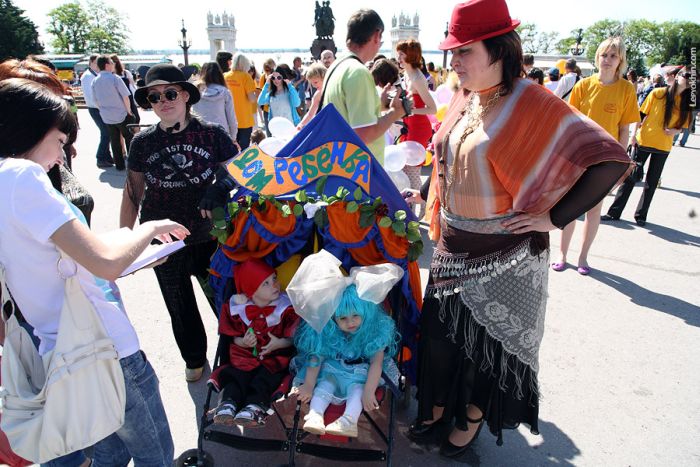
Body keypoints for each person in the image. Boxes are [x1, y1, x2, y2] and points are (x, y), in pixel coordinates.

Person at [402, 0, 631, 456]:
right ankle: (436, 408)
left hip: (504, 255)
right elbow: (449, 156)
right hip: (453, 246)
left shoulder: (531, 101)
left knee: (483, 351)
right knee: (443, 341)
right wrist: (427, 190)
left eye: (465, 51)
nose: (454, 62)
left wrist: (554, 217)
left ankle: (467, 420)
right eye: (453, 52)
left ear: (499, 51)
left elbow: (609, 160)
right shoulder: (466, 96)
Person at [0, 77, 185, 467]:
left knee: (109, 455)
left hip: (59, 349)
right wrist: (147, 230)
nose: (61, 155)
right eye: (60, 142)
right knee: (156, 456)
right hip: (105, 346)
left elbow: (62, 259)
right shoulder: (23, 177)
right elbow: (104, 262)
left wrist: (126, 249)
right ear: (30, 129)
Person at [120, 64, 240, 383]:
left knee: (222, 297)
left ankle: (235, 353)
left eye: (170, 93)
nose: (164, 101)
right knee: (178, 303)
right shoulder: (142, 143)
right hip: (164, 240)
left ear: (185, 95)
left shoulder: (212, 134)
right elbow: (133, 192)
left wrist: (219, 186)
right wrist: (124, 240)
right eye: (155, 96)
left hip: (208, 235)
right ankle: (194, 357)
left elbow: (242, 170)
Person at [553, 37, 640, 275]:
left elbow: (624, 129)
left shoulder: (626, 89)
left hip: (607, 159)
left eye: (613, 56)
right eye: (604, 55)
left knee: (593, 210)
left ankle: (583, 257)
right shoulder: (583, 85)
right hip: (579, 156)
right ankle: (562, 254)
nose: (607, 60)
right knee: (570, 206)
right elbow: (572, 123)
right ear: (597, 57)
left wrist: (621, 163)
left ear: (620, 60)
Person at [292, 258, 402, 438]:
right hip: (331, 370)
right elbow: (316, 357)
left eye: (355, 316)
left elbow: (376, 363)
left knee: (357, 391)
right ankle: (315, 416)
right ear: (333, 319)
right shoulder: (328, 333)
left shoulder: (373, 332)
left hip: (360, 373)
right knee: (324, 386)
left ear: (366, 313)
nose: (350, 322)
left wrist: (369, 390)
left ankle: (348, 421)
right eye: (342, 318)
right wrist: (309, 384)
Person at [212, 259, 299, 426]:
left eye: (274, 278)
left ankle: (254, 406)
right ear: (252, 291)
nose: (274, 285)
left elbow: (293, 339)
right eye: (265, 283)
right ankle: (227, 403)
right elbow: (232, 336)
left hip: (273, 361)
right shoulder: (238, 310)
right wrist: (243, 342)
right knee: (234, 377)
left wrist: (280, 343)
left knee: (264, 380)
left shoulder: (285, 308)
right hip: (243, 358)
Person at [603, 67, 692, 226]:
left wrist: (674, 131)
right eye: (687, 75)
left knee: (652, 182)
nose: (689, 78)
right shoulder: (658, 93)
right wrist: (632, 137)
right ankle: (614, 212)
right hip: (643, 141)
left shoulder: (685, 102)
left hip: (663, 146)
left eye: (693, 77)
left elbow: (683, 126)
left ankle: (641, 215)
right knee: (629, 178)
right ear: (677, 77)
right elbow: (641, 115)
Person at [321, 9, 408, 165]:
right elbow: (363, 134)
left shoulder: (337, 66)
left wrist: (377, 105)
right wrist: (396, 113)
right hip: (360, 174)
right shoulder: (358, 72)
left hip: (340, 165)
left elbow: (346, 114)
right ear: (376, 35)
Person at [91, 55, 134, 171]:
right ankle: (132, 164)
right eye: (111, 62)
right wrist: (129, 111)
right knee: (129, 138)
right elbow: (125, 96)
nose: (113, 64)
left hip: (107, 116)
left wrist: (103, 110)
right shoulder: (115, 78)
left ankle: (119, 165)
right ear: (107, 65)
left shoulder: (95, 80)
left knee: (114, 141)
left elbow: (95, 100)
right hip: (121, 113)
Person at [79, 54, 112, 167]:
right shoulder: (88, 76)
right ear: (92, 63)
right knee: (106, 132)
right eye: (97, 62)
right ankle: (101, 157)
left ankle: (107, 156)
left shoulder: (93, 75)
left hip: (98, 107)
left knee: (107, 132)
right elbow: (91, 96)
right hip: (95, 108)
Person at [192, 62, 239, 140]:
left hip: (200, 135)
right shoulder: (225, 92)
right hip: (222, 134)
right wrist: (233, 138)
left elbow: (192, 115)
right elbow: (232, 120)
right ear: (219, 74)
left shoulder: (195, 90)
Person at [224, 53, 257, 149]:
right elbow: (252, 99)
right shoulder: (246, 77)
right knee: (243, 150)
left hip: (228, 119)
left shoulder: (225, 76)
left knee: (230, 149)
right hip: (244, 120)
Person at [110, 54, 140, 124]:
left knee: (136, 118)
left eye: (113, 62)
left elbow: (132, 85)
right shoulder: (110, 75)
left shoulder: (125, 72)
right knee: (123, 121)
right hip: (118, 99)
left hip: (129, 97)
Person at [297, 62, 327, 129]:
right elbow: (310, 114)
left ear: (325, 78)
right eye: (311, 83)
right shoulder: (318, 94)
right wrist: (301, 124)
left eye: (315, 82)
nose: (313, 85)